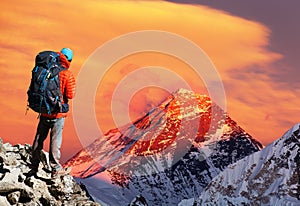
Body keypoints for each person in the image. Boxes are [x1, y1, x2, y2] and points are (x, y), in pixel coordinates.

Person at [30, 48, 76, 178]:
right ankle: (55, 168)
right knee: (55, 141)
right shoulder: (67, 74)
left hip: (44, 110)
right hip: (58, 113)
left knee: (39, 138)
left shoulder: (46, 69)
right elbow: (71, 95)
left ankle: (33, 166)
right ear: (69, 60)